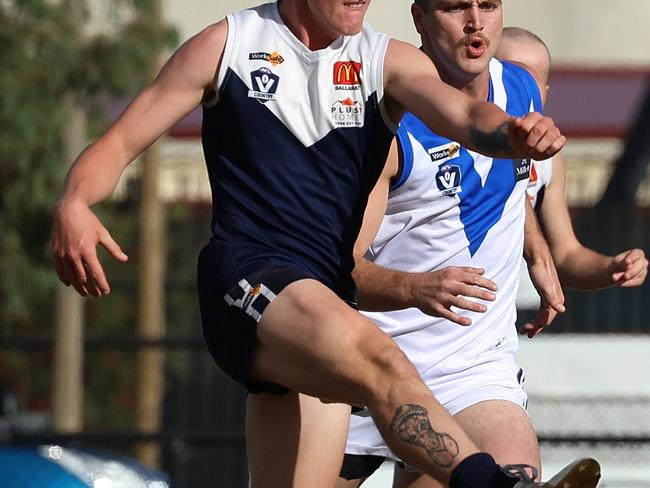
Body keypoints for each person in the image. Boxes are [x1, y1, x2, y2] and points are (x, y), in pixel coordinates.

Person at [50, 1, 581, 487]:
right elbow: (120, 142)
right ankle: (491, 484)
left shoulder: (383, 60)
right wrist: (75, 201)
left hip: (322, 302)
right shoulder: (228, 45)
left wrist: (512, 132)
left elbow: (466, 116)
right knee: (385, 364)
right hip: (247, 280)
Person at [336, 1, 600, 487]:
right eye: (457, 7)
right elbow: (334, 270)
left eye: (488, 5)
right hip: (367, 370)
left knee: (511, 477)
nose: (476, 22)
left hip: (474, 372)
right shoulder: (387, 122)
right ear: (419, 18)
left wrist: (535, 247)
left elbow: (498, 183)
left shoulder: (520, 91)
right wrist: (414, 289)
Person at [497, 27, 648, 290]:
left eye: (530, 82)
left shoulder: (548, 160)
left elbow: (565, 255)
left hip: (502, 323)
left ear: (545, 90)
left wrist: (612, 266)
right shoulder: (443, 143)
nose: (520, 91)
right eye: (509, 77)